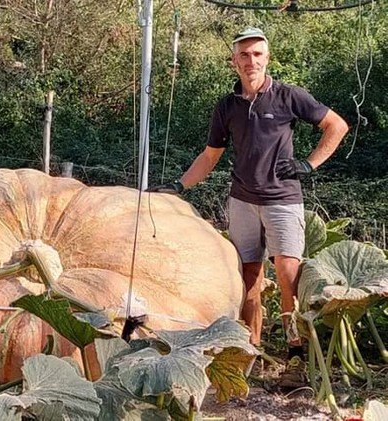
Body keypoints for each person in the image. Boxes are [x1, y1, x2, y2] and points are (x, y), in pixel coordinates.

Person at [149, 27, 349, 385]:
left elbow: (336, 125)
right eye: (244, 55)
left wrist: (309, 164)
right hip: (241, 201)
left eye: (257, 54)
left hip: (282, 201)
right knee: (246, 280)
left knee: (289, 279)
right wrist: (179, 185)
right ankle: (250, 353)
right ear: (234, 62)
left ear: (267, 58)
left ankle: (295, 357)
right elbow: (211, 155)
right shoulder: (227, 106)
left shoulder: (289, 97)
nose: (250, 61)